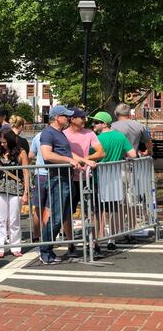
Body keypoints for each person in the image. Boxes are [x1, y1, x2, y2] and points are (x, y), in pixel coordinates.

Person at [39, 105, 80, 264]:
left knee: (62, 216)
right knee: (56, 218)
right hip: (57, 179)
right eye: (65, 116)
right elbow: (47, 154)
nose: (68, 118)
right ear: (57, 117)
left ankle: (47, 250)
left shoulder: (59, 133)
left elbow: (66, 153)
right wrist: (69, 160)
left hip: (65, 178)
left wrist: (82, 160)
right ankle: (45, 251)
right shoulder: (48, 133)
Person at [91, 111, 137, 251]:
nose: (93, 124)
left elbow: (91, 156)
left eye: (96, 122)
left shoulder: (97, 139)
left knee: (98, 211)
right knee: (114, 209)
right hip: (115, 176)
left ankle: (95, 241)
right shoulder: (120, 137)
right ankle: (112, 239)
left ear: (105, 124)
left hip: (99, 176)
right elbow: (133, 154)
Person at [62, 107, 103, 257]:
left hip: (87, 177)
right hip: (69, 178)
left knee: (94, 211)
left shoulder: (89, 133)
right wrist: (82, 159)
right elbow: (65, 152)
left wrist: (86, 159)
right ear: (72, 119)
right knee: (67, 212)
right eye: (82, 118)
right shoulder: (63, 135)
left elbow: (101, 152)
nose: (85, 120)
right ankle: (70, 243)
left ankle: (95, 243)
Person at [0, 129, 29, 258]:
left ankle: (15, 246)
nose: (3, 144)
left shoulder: (21, 153)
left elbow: (26, 173)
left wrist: (26, 193)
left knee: (14, 219)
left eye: (5, 142)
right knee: (0, 219)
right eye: (1, 142)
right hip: (0, 188)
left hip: (16, 189)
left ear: (10, 140)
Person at [29, 131, 50, 242]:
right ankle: (47, 235)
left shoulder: (38, 135)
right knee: (49, 207)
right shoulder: (58, 135)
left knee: (38, 206)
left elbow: (31, 154)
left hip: (40, 173)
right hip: (52, 173)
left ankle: (36, 234)